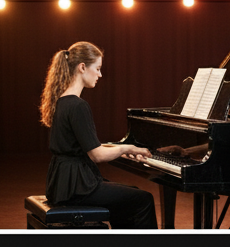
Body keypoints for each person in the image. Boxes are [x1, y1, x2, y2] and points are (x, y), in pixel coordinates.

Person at [40, 41, 156, 229]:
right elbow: (97, 155)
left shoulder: (62, 101)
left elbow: (84, 146)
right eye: (98, 68)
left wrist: (118, 149)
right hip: (77, 187)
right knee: (143, 200)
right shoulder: (78, 106)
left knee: (130, 195)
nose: (100, 75)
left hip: (62, 184)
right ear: (82, 67)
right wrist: (126, 148)